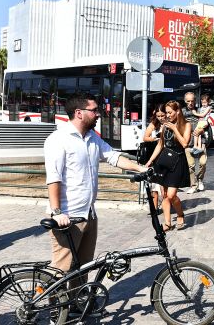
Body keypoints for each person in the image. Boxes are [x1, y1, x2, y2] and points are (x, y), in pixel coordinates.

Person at [44, 92, 145, 294]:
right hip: (68, 216)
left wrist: (140, 168)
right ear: (79, 113)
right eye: (94, 110)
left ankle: (76, 304)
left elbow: (113, 157)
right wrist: (57, 212)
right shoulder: (58, 139)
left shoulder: (92, 138)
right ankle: (55, 311)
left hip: (89, 213)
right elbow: (53, 178)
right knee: (61, 269)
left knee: (83, 266)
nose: (99, 114)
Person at [145, 100, 191, 231]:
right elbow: (160, 145)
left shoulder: (186, 125)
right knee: (164, 195)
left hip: (178, 161)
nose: (168, 115)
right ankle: (167, 223)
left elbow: (185, 144)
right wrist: (150, 161)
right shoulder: (165, 125)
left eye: (170, 112)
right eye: (167, 112)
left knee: (171, 195)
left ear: (178, 111)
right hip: (164, 161)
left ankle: (180, 214)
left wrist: (175, 129)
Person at [143, 103, 167, 214]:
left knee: (163, 185)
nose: (161, 118)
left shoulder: (170, 123)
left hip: (167, 156)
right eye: (158, 116)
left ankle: (166, 206)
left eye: (163, 115)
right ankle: (154, 208)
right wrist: (155, 139)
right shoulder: (154, 123)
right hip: (155, 155)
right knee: (153, 184)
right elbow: (145, 137)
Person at [182, 92, 208, 193]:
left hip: (201, 141)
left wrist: (203, 130)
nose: (190, 103)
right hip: (188, 142)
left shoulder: (200, 111)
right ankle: (193, 185)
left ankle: (200, 180)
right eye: (188, 101)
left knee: (203, 162)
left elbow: (207, 125)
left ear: (195, 100)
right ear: (185, 101)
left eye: (192, 100)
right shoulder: (182, 112)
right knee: (191, 165)